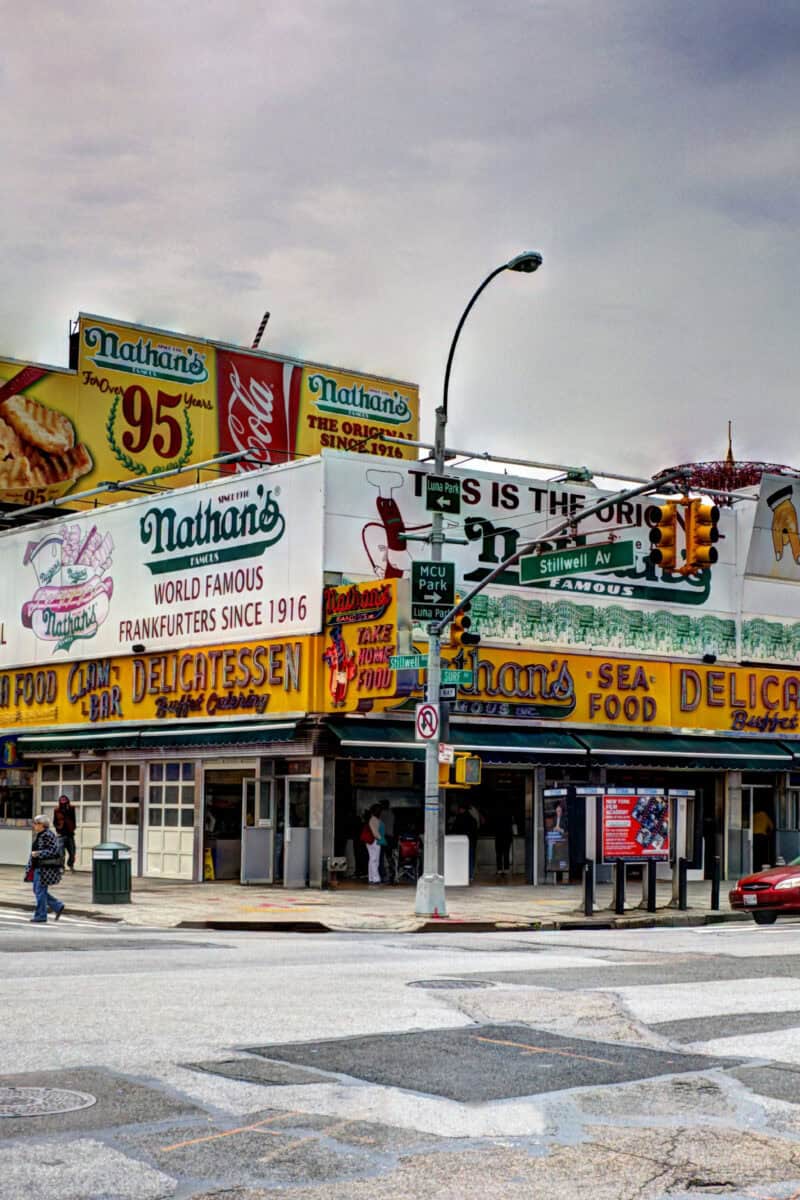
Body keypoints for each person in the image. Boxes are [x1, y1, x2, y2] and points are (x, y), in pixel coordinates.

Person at [26, 814, 65, 924]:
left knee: (40, 892)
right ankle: (57, 906)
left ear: (42, 825)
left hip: (44, 869)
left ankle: (41, 915)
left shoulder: (47, 835)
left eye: (35, 823)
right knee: (38, 891)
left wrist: (38, 853)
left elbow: (54, 851)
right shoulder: (41, 834)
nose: (34, 825)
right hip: (38, 867)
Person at [453, 802, 478, 882]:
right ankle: (470, 876)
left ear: (461, 809)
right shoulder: (473, 819)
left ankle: (462, 875)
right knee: (470, 860)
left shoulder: (458, 819)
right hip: (471, 843)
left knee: (461, 860)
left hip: (460, 843)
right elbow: (475, 832)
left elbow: (454, 830)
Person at [52, 794, 77, 872]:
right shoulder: (56, 810)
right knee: (61, 853)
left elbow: (74, 819)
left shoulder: (71, 808)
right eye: (61, 800)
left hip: (70, 833)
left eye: (64, 799)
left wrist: (73, 828)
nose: (63, 801)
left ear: (67, 800)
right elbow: (54, 821)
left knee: (72, 852)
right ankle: (61, 867)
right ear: (59, 801)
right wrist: (57, 829)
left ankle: (70, 865)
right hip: (61, 834)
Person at [367, 804, 386, 885]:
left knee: (372, 859)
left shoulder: (374, 819)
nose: (380, 812)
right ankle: (375, 879)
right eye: (379, 810)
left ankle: (371, 878)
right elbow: (375, 832)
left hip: (374, 841)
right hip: (375, 841)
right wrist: (380, 838)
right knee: (374, 860)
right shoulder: (373, 819)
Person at [494, 804, 514, 877]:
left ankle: (499, 869)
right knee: (506, 853)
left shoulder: (497, 817)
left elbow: (495, 827)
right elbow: (511, 827)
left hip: (499, 837)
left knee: (499, 854)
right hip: (507, 837)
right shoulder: (509, 816)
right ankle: (506, 869)